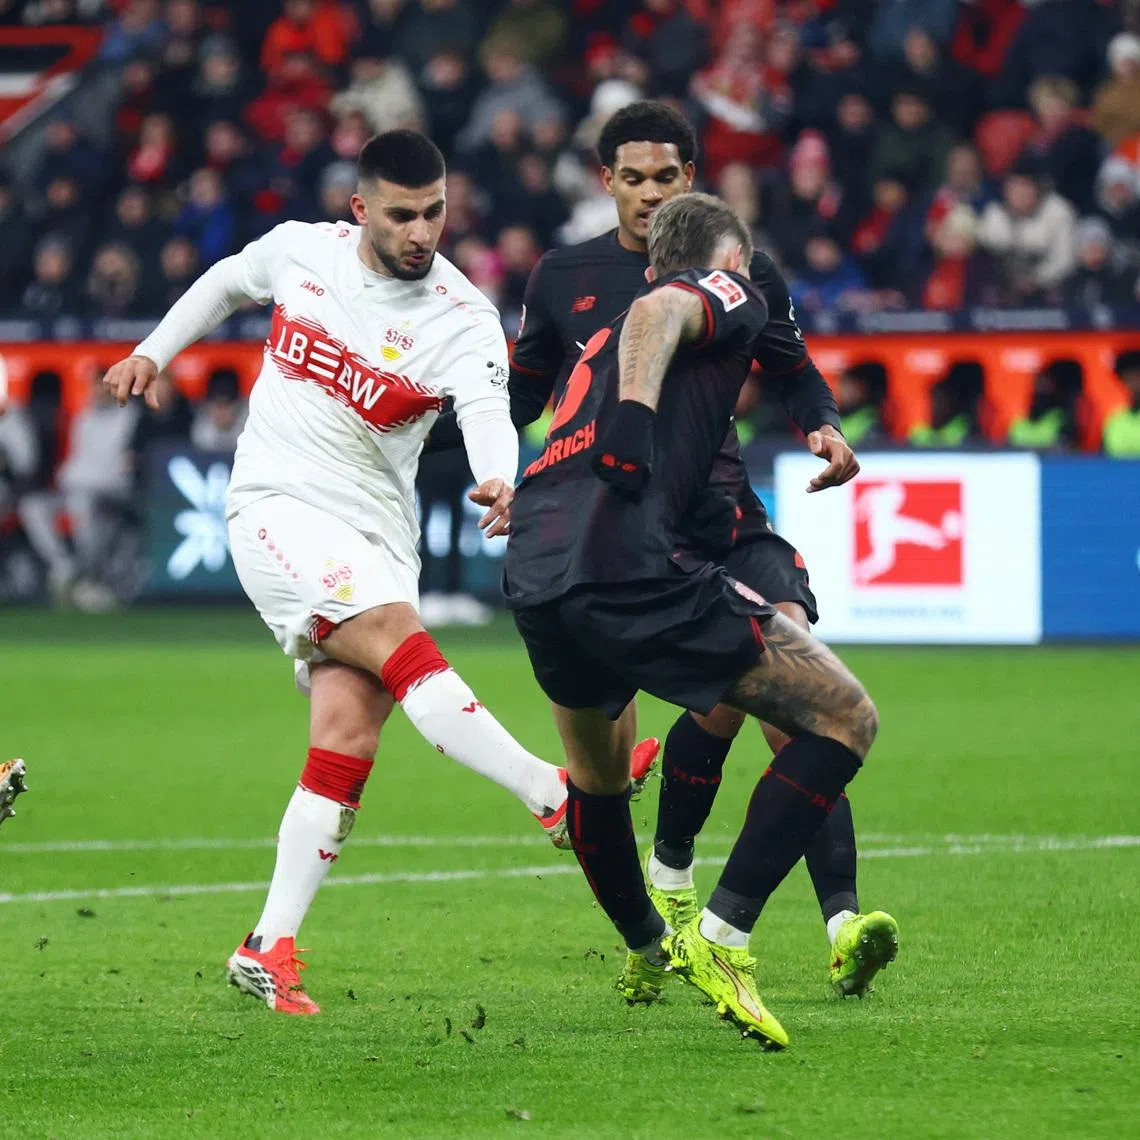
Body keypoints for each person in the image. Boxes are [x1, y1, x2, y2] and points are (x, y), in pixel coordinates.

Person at [102, 130, 656, 1016]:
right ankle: (556, 798)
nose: (420, 231)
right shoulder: (301, 253)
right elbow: (222, 282)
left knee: (348, 735)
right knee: (406, 648)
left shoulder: (463, 315)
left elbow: (485, 408)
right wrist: (153, 352)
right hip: (276, 507)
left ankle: (267, 944)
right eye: (401, 214)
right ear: (361, 208)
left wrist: (500, 477)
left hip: (377, 535)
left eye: (433, 212)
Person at [490, 102, 895, 996]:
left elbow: (789, 363)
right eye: (630, 178)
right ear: (606, 182)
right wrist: (500, 468)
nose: (646, 194)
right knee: (620, 760)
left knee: (801, 690)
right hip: (613, 520)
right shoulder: (565, 275)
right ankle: (662, 906)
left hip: (714, 511)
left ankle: (838, 918)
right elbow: (521, 399)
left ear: (690, 179)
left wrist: (823, 426)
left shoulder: (741, 269)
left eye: (664, 178)